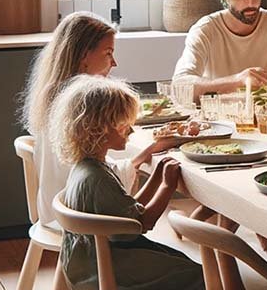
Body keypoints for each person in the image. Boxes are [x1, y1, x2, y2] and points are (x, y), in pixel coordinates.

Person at [20, 11, 174, 230]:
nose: (114, 62)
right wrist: (151, 152)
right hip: (75, 216)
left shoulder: (55, 93)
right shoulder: (77, 104)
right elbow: (100, 179)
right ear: (84, 55)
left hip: (53, 207)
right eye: (108, 53)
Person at [50, 75, 204, 290]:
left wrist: (156, 175)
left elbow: (129, 209)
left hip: (85, 261)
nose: (131, 131)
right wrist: (166, 187)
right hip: (105, 265)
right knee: (197, 274)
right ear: (98, 129)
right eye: (124, 126)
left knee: (179, 259)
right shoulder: (98, 179)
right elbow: (142, 223)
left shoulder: (87, 167)